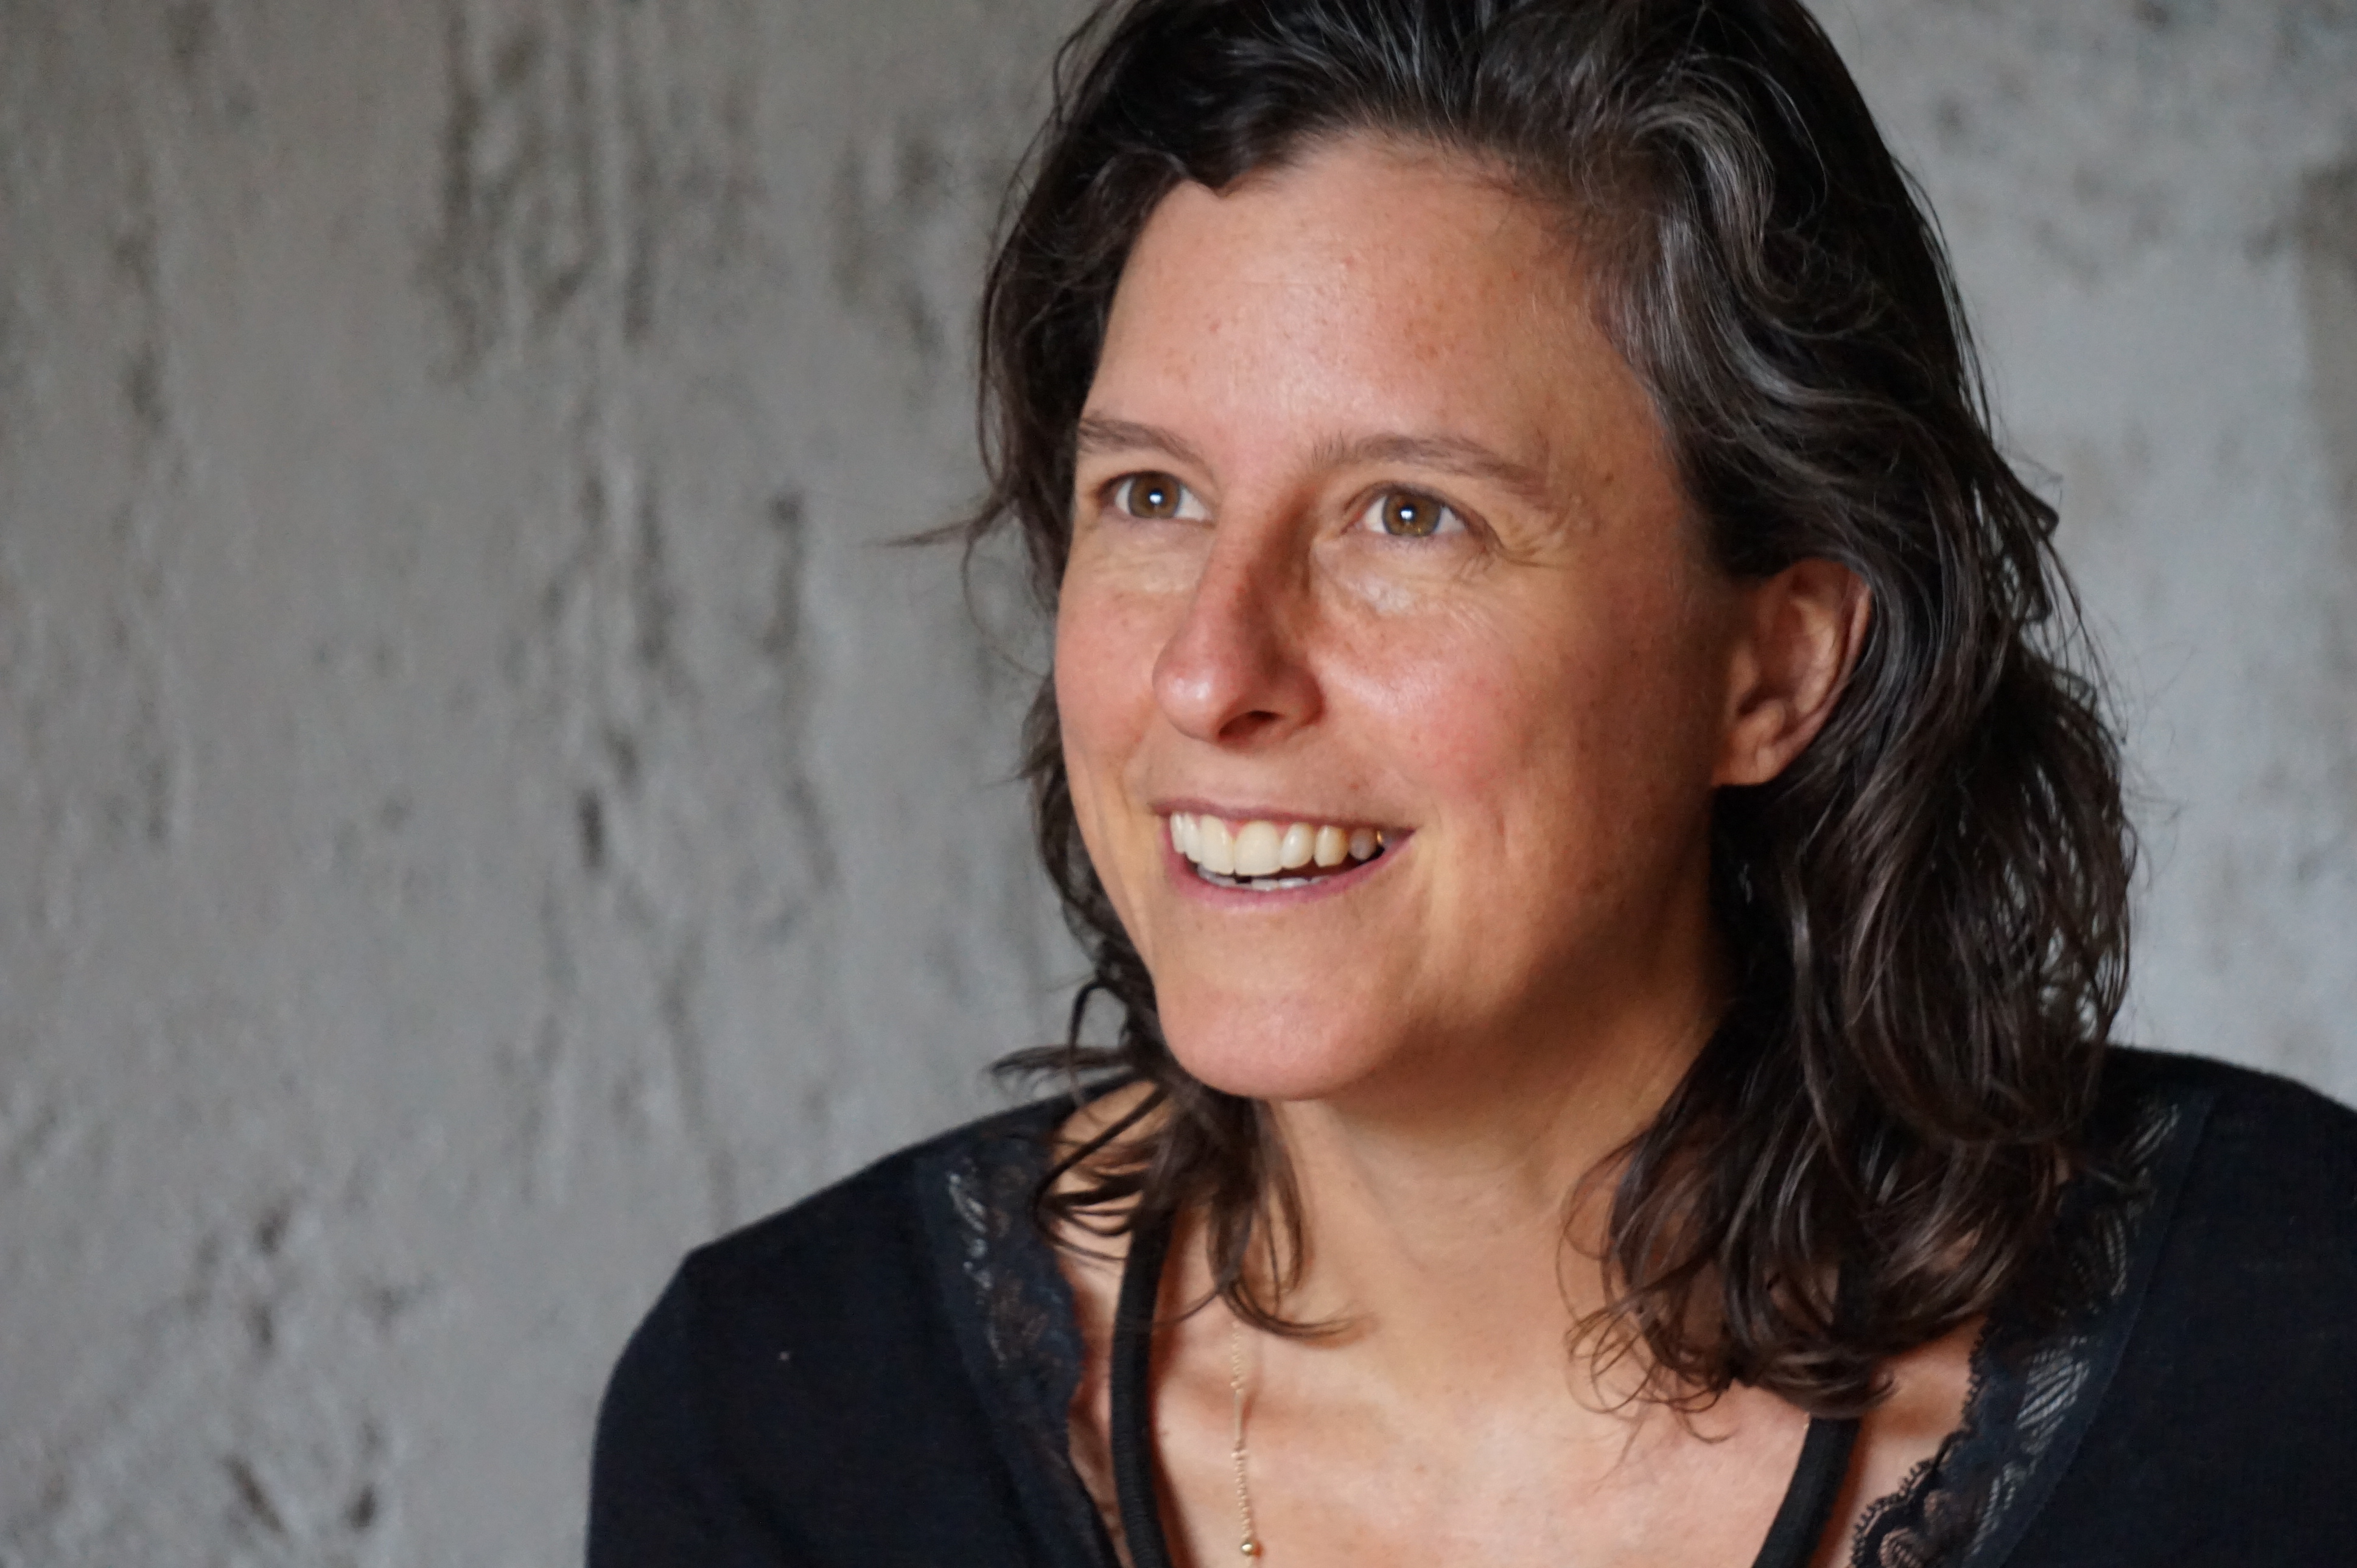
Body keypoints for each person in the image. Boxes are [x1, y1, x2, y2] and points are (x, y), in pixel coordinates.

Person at [586, 2, 2357, 1564]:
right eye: (1152, 496)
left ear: (1773, 670)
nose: (1208, 670)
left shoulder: (2289, 1360)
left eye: (1408, 516)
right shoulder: (789, 1428)